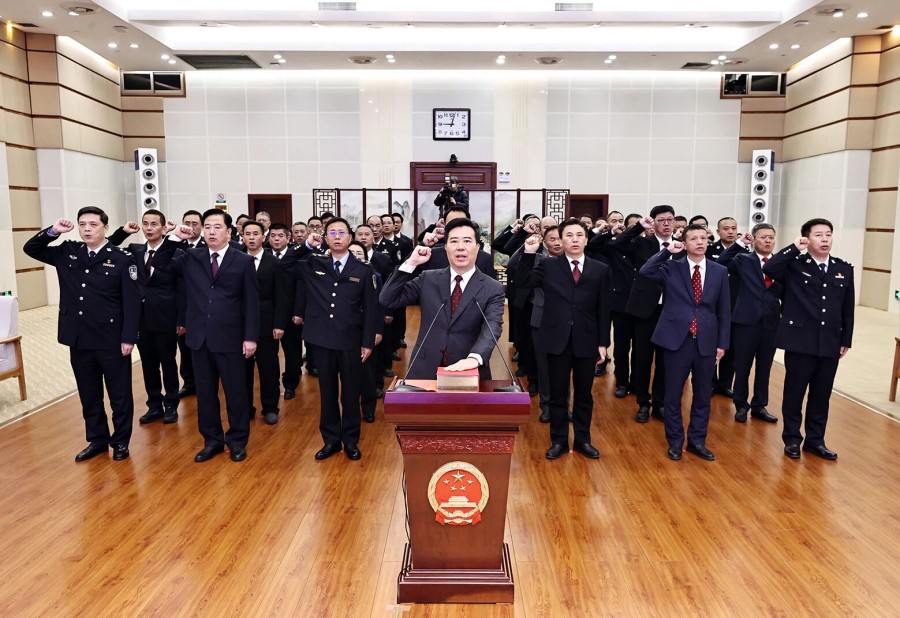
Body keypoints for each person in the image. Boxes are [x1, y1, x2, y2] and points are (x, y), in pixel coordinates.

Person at [23, 207, 142, 461]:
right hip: (79, 337)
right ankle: (97, 440)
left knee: (119, 395)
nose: (87, 229)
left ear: (105, 228)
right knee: (89, 393)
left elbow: (132, 303)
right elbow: (31, 249)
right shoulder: (69, 251)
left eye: (93, 224)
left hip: (111, 339)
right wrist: (53, 231)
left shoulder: (122, 259)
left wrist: (129, 338)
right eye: (82, 224)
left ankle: (120, 442)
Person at [171, 208, 259, 463]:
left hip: (231, 337)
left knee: (236, 393)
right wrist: (175, 238)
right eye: (207, 226)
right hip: (200, 338)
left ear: (229, 232)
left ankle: (237, 441)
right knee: (206, 394)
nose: (211, 231)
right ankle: (212, 441)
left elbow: (251, 303)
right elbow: (161, 265)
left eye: (217, 227)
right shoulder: (191, 256)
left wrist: (250, 337)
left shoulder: (243, 260)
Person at [519, 219, 610, 460]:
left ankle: (583, 440)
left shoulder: (600, 269)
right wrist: (528, 253)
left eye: (579, 235)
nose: (574, 239)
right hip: (555, 338)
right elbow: (524, 281)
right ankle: (558, 441)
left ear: (587, 239)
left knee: (584, 395)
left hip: (587, 339)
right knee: (557, 394)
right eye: (569, 235)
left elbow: (604, 308)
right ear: (560, 240)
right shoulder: (549, 265)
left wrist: (603, 342)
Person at [763, 218, 854, 461]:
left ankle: (816, 441)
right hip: (800, 340)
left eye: (828, 234)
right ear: (807, 238)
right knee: (795, 393)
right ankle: (792, 439)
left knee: (821, 395)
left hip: (830, 341)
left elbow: (847, 309)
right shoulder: (795, 264)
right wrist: (794, 248)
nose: (825, 239)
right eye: (818, 235)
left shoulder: (843, 268)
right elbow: (770, 269)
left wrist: (846, 339)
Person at [639, 224, 731, 462]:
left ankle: (697, 441)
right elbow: (646, 271)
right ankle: (675, 442)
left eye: (703, 238)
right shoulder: (672, 267)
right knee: (672, 394)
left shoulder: (719, 271)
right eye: (693, 238)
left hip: (706, 341)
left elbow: (724, 310)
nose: (700, 242)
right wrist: (667, 251)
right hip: (676, 340)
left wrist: (722, 343)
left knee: (703, 395)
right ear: (684, 242)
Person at [292, 217, 380, 461]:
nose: (337, 237)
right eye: (332, 233)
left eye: (342, 233)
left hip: (351, 340)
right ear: (325, 237)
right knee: (327, 392)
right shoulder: (313, 263)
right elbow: (285, 264)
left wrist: (367, 342)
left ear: (350, 238)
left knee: (350, 393)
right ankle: (330, 440)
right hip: (322, 339)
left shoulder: (364, 270)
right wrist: (307, 245)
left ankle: (350, 440)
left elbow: (370, 309)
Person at [380, 217, 505, 382]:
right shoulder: (427, 278)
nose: (460, 247)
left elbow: (492, 327)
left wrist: (474, 358)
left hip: (469, 369)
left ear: (478, 247)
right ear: (446, 247)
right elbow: (388, 299)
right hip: (424, 369)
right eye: (454, 241)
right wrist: (411, 262)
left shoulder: (493, 288)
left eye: (467, 241)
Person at [607, 206, 683, 424]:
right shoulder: (643, 243)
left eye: (670, 219)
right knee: (643, 358)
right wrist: (639, 226)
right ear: (654, 223)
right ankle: (643, 403)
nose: (666, 224)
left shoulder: (681, 246)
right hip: (645, 310)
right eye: (661, 220)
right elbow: (616, 245)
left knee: (665, 361)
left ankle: (659, 404)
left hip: (671, 310)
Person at [107, 210, 182, 425]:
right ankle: (154, 404)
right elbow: (107, 248)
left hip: (166, 317)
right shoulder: (135, 250)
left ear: (163, 228)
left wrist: (181, 319)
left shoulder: (176, 253)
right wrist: (123, 232)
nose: (149, 228)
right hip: (140, 318)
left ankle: (171, 403)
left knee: (168, 362)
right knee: (148, 364)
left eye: (154, 224)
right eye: (145, 224)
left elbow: (182, 289)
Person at [717, 225, 780, 424]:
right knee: (742, 365)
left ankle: (759, 405)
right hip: (745, 321)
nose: (768, 241)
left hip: (770, 321)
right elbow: (721, 262)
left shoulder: (780, 262)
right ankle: (741, 405)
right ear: (753, 239)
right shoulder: (743, 259)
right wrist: (738, 243)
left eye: (771, 237)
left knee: (765, 366)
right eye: (763, 237)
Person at [242, 221, 286, 425]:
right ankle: (245, 407)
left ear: (263, 237)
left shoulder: (274, 262)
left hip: (266, 322)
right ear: (242, 237)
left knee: (268, 367)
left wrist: (279, 324)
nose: (251, 238)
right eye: (247, 234)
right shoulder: (235, 259)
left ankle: (270, 407)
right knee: (242, 369)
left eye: (255, 234)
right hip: (240, 322)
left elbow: (281, 296)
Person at [176, 209, 205, 398]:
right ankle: (189, 382)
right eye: (187, 223)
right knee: (185, 347)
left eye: (195, 223)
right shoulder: (176, 246)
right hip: (182, 304)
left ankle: (205, 380)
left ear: (201, 227)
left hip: (203, 305)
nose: (191, 227)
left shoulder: (207, 246)